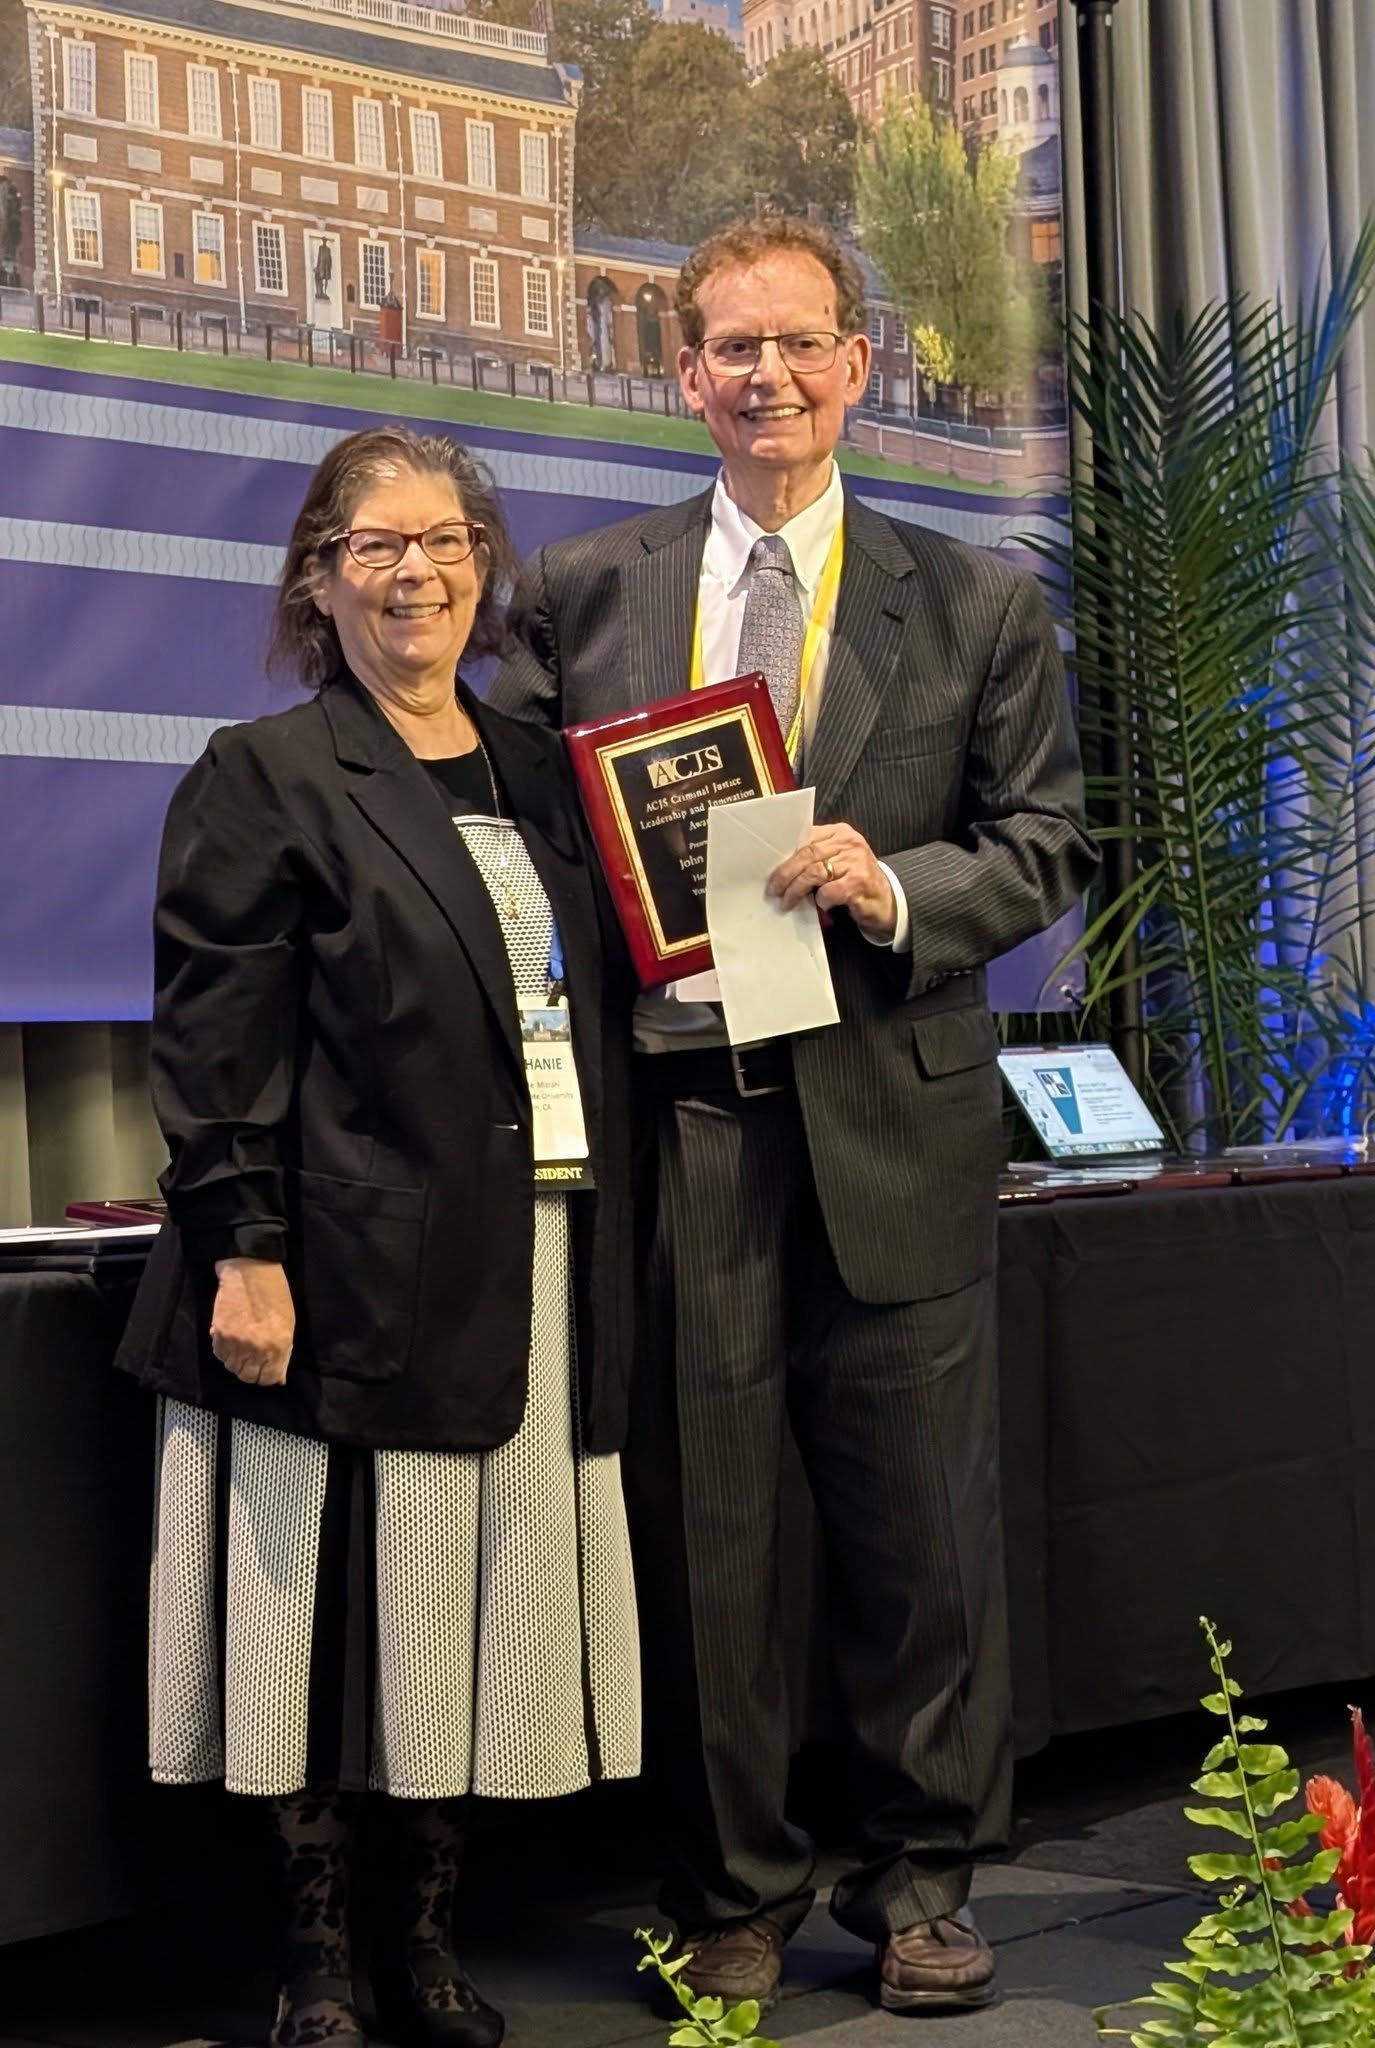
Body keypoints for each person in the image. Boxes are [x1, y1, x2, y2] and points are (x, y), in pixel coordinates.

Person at [490, 213, 1097, 2015]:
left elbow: (1046, 841)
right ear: (682, 374)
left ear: (856, 363)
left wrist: (894, 884)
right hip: (684, 1130)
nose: (766, 377)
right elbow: (522, 851)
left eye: (798, 345)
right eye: (730, 349)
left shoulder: (975, 595)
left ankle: (919, 1881)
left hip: (890, 1119)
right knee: (715, 1542)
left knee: (919, 1541)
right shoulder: (584, 591)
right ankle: (735, 1883)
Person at [114, 426, 640, 2048]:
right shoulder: (264, 774)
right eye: (374, 547)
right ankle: (320, 1961)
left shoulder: (552, 777)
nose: (417, 571)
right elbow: (216, 1047)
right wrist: (243, 1252)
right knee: (331, 1628)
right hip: (332, 1272)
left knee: (459, 1632)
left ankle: (428, 1943)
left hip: (533, 1262)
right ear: (317, 581)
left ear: (483, 565)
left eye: (447, 540)